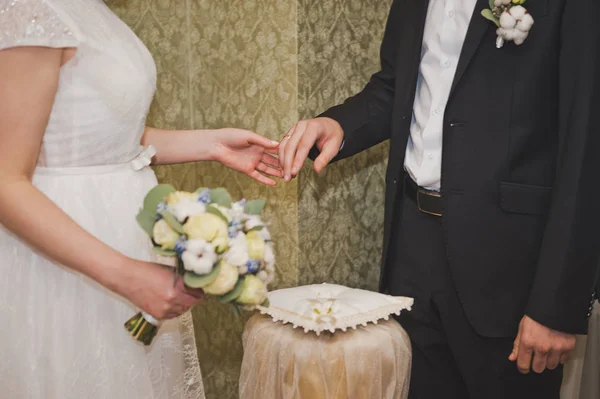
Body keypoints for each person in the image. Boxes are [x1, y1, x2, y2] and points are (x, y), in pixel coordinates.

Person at [278, 0, 600, 397]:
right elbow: (396, 84)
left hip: (510, 265)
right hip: (412, 246)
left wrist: (557, 306)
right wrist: (337, 125)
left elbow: (586, 141)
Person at [0, 0, 281, 398]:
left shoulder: (91, 8)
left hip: (122, 234)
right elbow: (5, 180)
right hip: (67, 255)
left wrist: (214, 144)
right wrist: (127, 275)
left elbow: (100, 138)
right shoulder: (29, 9)